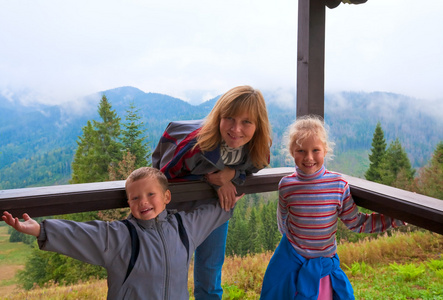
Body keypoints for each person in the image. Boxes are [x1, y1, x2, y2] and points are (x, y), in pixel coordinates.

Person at [2, 167, 243, 300]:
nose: (144, 202)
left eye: (151, 195)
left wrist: (232, 195)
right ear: (128, 202)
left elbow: (213, 213)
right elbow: (80, 234)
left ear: (167, 197)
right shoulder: (120, 237)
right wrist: (39, 229)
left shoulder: (183, 228)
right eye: (135, 197)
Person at [260, 115, 406, 300]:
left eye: (315, 150)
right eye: (301, 151)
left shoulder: (338, 184)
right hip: (292, 261)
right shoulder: (286, 185)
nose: (309, 157)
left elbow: (357, 223)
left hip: (323, 267)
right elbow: (283, 220)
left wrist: (397, 218)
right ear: (291, 151)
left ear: (326, 150)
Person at [152, 85, 272, 300]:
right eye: (230, 119)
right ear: (218, 117)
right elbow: (163, 176)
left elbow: (255, 166)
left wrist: (231, 174)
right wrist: (212, 178)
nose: (236, 129)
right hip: (177, 210)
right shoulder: (193, 145)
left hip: (215, 208)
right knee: (170, 271)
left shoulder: (258, 148)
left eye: (246, 122)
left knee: (210, 270)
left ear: (258, 126)